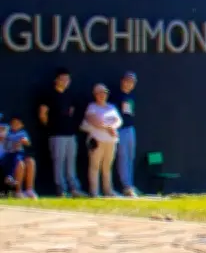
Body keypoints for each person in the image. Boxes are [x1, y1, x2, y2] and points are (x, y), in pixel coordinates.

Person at [38, 67, 86, 197]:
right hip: (56, 134)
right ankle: (62, 189)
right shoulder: (49, 95)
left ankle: (74, 188)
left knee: (71, 163)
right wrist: (51, 127)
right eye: (62, 79)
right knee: (59, 162)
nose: (65, 81)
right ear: (56, 80)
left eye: (67, 79)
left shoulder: (70, 96)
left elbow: (74, 112)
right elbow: (42, 114)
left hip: (70, 134)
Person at [81, 83, 123, 197]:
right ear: (95, 94)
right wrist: (108, 127)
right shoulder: (92, 107)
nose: (102, 95)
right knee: (95, 166)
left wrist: (112, 127)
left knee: (107, 167)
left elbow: (118, 121)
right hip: (97, 140)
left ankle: (108, 191)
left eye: (104, 92)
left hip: (111, 141)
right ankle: (94, 191)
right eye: (99, 93)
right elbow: (93, 120)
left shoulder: (111, 107)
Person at [111, 71, 138, 196]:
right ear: (122, 81)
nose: (130, 84)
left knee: (130, 157)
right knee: (122, 157)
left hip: (130, 128)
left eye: (132, 82)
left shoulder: (131, 96)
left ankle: (130, 185)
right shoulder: (116, 96)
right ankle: (126, 185)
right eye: (128, 81)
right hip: (120, 129)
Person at [2, 116, 37, 198]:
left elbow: (27, 142)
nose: (15, 125)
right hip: (9, 156)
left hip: (20, 154)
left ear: (22, 125)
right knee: (20, 164)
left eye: (18, 123)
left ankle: (29, 190)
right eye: (13, 123)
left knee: (31, 162)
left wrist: (24, 141)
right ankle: (18, 191)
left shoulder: (23, 133)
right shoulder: (7, 133)